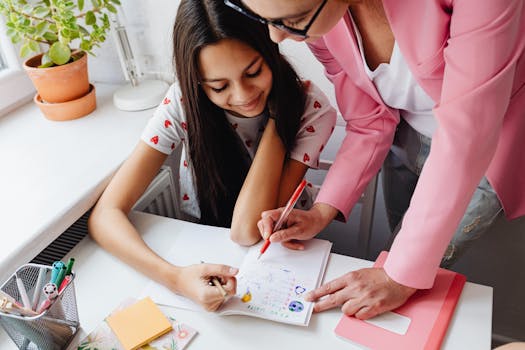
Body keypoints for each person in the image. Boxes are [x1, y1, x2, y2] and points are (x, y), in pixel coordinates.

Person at [228, 0, 525, 319]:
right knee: (389, 261)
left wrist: (398, 275)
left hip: (492, 145)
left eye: (294, 20)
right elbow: (369, 117)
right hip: (405, 136)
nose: (276, 37)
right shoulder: (314, 20)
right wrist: (321, 211)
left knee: (404, 278)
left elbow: (469, 129)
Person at [88, 0, 336, 311]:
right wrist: (175, 278)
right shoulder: (184, 103)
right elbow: (104, 216)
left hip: (281, 253)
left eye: (254, 72)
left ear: (271, 49)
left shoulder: (311, 108)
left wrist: (278, 118)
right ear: (197, 84)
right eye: (219, 86)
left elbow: (247, 230)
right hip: (204, 247)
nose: (243, 96)